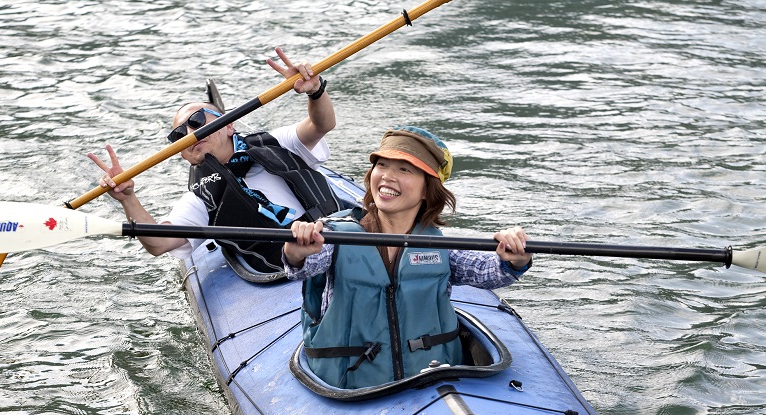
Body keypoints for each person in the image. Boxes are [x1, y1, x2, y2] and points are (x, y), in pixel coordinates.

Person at [282, 126, 533, 389]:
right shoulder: (335, 234)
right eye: (382, 165)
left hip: (430, 379)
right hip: (351, 385)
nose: (388, 177)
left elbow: (486, 271)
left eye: (404, 169)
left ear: (427, 190)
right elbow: (304, 265)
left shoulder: (435, 244)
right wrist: (296, 251)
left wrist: (515, 258)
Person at [89, 47, 343, 274]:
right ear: (181, 153)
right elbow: (158, 244)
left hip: (340, 235)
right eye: (178, 135)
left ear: (229, 124)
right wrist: (128, 199)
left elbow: (322, 124)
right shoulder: (201, 198)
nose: (189, 134)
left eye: (197, 121)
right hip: (289, 268)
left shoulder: (277, 142)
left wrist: (316, 91)